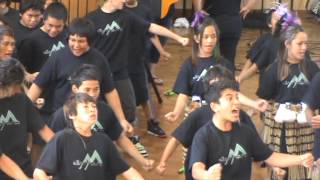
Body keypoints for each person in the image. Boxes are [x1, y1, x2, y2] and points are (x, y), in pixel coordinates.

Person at [189, 80, 314, 180]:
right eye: (229, 98)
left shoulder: (245, 132)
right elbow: (196, 169)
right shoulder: (203, 136)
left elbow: (271, 157)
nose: (237, 103)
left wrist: (300, 159)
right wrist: (206, 176)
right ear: (215, 106)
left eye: (237, 97)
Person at [157, 65, 264, 179]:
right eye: (216, 86)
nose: (221, 89)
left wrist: (273, 166)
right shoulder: (198, 115)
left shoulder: (239, 115)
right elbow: (176, 138)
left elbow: (256, 144)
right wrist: (163, 161)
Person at [27, 17, 133, 133]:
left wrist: (122, 119)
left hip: (88, 118)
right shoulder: (57, 57)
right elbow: (38, 85)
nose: (76, 45)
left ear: (90, 41)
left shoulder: (99, 59)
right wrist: (24, 109)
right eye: (72, 40)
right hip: (63, 117)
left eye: (81, 41)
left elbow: (110, 91)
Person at [49, 64, 154, 168]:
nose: (93, 94)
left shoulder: (105, 110)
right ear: (75, 89)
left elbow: (120, 138)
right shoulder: (62, 115)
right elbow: (53, 148)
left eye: (96, 89)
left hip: (100, 167)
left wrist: (143, 160)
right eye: (87, 90)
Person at [257, 23, 319, 179]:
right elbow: (264, 102)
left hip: (307, 130)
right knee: (283, 171)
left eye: (305, 43)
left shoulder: (312, 69)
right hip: (282, 130)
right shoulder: (273, 70)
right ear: (287, 44)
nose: (304, 47)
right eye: (299, 43)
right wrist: (279, 111)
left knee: (306, 168)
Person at [33, 93, 144, 180]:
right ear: (72, 115)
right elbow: (39, 172)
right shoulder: (61, 139)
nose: (92, 109)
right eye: (86, 107)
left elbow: (127, 171)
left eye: (93, 106)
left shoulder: (104, 140)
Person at [165, 13, 234, 123]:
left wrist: (253, 104)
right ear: (197, 38)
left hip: (218, 119)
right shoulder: (188, 64)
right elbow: (183, 94)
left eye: (213, 36)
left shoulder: (225, 64)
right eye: (206, 37)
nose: (210, 41)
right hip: (195, 117)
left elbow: (232, 93)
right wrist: (176, 113)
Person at [0, 58, 54, 179]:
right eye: (17, 86)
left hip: (23, 167)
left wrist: (65, 150)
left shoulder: (21, 99)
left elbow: (43, 130)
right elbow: (1, 159)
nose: (19, 89)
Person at [125, 0, 169, 138]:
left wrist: (161, 51)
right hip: (121, 61)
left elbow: (151, 33)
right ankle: (125, 125)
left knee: (143, 92)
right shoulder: (119, 11)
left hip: (138, 59)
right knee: (123, 95)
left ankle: (151, 122)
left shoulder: (145, 10)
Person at [237, 4, 290, 83]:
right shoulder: (264, 39)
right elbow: (251, 60)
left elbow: (254, 67)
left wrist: (241, 78)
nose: (280, 22)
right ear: (269, 23)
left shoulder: (290, 40)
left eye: (282, 19)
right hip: (268, 80)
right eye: (276, 19)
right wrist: (241, 77)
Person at [193, 0, 257, 65]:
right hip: (232, 21)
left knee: (208, 60)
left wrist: (198, 11)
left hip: (212, 20)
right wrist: (248, 7)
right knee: (229, 60)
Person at [18, 1, 68, 74]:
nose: (53, 30)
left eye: (58, 26)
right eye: (50, 25)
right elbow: (21, 66)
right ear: (44, 20)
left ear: (64, 23)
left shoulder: (68, 34)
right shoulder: (30, 40)